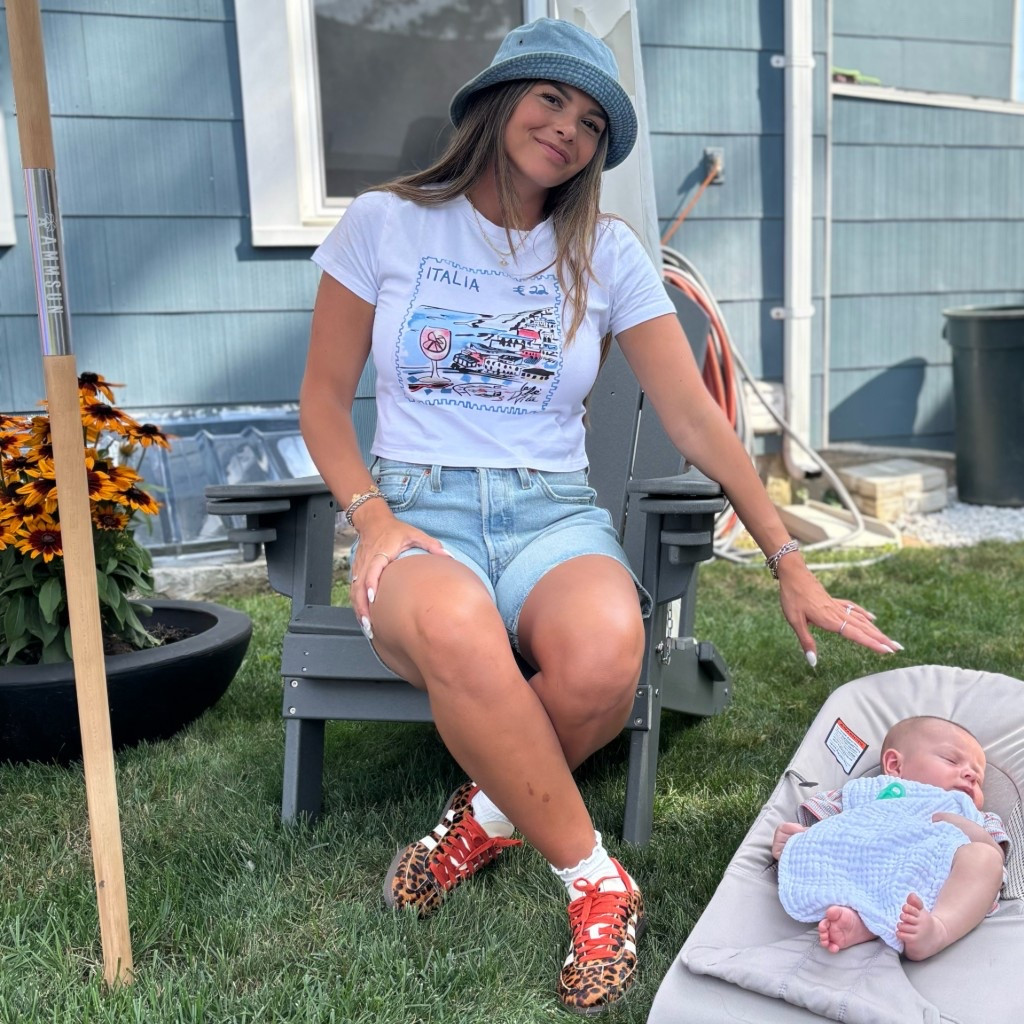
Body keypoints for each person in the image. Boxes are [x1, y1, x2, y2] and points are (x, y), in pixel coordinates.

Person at [299, 17, 900, 1014]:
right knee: (453, 621)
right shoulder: (385, 223)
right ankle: (596, 881)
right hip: (417, 513)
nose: (567, 130)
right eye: (551, 100)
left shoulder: (606, 250)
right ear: (499, 102)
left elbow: (692, 416)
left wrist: (787, 556)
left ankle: (481, 821)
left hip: (552, 514)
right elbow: (322, 399)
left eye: (590, 122)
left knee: (608, 651)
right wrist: (371, 517)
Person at [773, 716, 1008, 960]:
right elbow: (835, 827)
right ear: (895, 765)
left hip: (943, 888)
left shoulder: (975, 815)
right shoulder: (873, 791)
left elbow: (998, 859)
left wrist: (968, 827)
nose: (970, 775)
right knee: (853, 866)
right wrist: (798, 839)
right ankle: (863, 923)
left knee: (986, 857)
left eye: (978, 778)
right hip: (872, 872)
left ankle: (939, 929)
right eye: (951, 760)